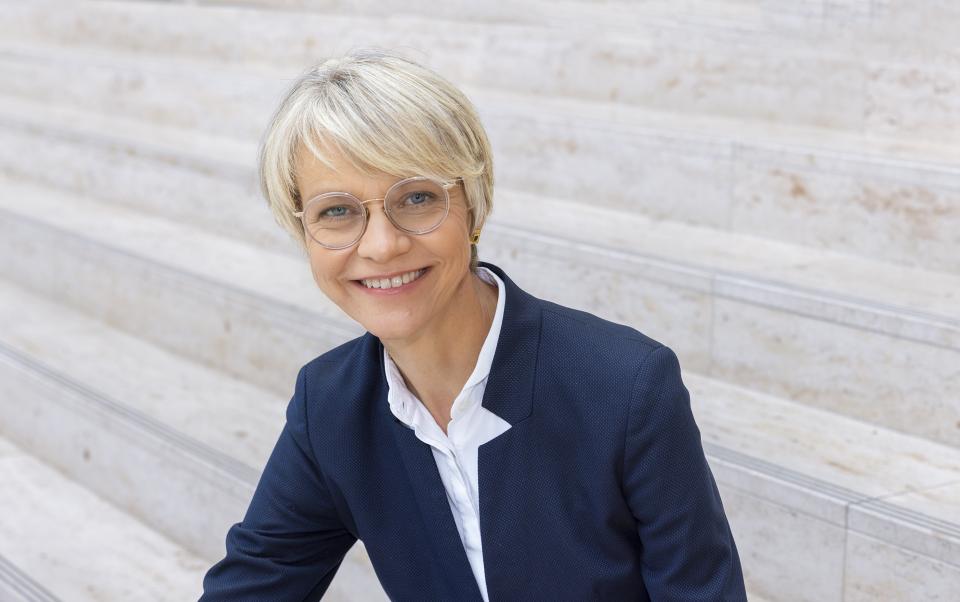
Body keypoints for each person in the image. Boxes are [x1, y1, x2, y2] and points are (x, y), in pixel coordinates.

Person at [200, 49, 746, 601]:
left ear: (474, 207)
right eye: (336, 211)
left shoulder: (624, 385)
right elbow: (253, 584)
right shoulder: (330, 404)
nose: (383, 245)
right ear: (305, 234)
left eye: (416, 198)